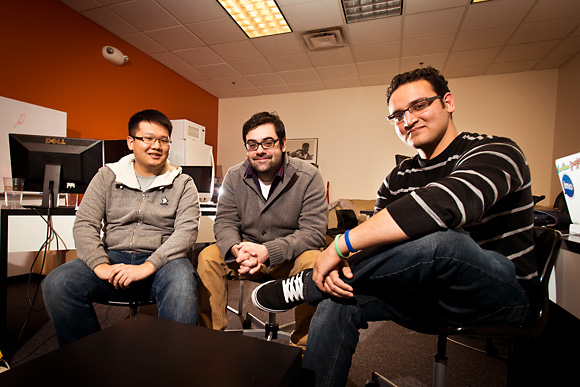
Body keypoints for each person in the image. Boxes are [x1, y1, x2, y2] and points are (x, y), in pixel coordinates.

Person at [252, 67, 536, 386]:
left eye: (419, 105)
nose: (408, 120)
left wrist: (338, 247)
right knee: (336, 300)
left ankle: (309, 285)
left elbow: (446, 204)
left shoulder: (495, 151)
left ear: (448, 102)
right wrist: (340, 268)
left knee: (442, 239)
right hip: (423, 294)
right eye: (398, 115)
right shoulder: (397, 178)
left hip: (498, 295)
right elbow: (379, 248)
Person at [42, 109, 200, 347]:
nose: (156, 146)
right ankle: (87, 360)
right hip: (113, 256)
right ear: (131, 142)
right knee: (57, 283)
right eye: (148, 138)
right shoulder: (107, 176)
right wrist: (100, 265)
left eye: (163, 140)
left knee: (183, 283)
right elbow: (85, 223)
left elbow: (186, 232)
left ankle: (174, 367)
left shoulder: (183, 183)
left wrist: (148, 266)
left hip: (163, 262)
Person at [196, 111, 327, 349]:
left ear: (283, 143)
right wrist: (236, 250)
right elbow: (224, 222)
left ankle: (304, 349)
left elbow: (313, 232)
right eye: (252, 144)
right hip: (243, 255)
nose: (260, 150)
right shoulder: (234, 176)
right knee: (207, 258)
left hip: (289, 259)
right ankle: (210, 341)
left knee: (315, 261)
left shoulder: (309, 176)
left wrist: (267, 251)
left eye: (268, 142)